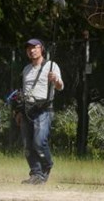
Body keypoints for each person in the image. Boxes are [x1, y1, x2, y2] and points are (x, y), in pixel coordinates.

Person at [15, 38, 64, 185]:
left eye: (35, 47)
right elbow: (22, 91)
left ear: (41, 48)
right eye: (29, 48)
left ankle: (47, 164)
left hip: (43, 109)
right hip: (27, 109)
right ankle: (36, 174)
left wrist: (55, 80)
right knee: (27, 145)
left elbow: (61, 86)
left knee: (39, 141)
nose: (31, 50)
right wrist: (18, 111)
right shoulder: (26, 69)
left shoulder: (51, 65)